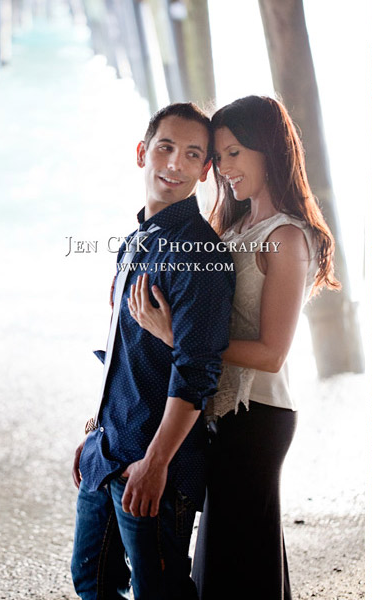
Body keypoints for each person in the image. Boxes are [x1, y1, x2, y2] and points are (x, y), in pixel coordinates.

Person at [129, 95, 339, 600]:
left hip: (258, 416)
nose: (223, 170)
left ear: (269, 150)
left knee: (237, 560)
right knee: (228, 561)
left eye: (234, 153)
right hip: (222, 413)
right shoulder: (233, 228)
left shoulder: (287, 237)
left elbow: (271, 353)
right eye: (218, 157)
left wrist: (181, 340)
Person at [70, 102, 235, 599]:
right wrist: (98, 425)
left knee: (160, 591)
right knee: (91, 581)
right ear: (143, 152)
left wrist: (155, 462)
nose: (175, 164)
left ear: (205, 170)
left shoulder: (201, 253)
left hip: (156, 462)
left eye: (191, 155)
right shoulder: (135, 241)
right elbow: (124, 347)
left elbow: (197, 371)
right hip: (109, 448)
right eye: (165, 148)